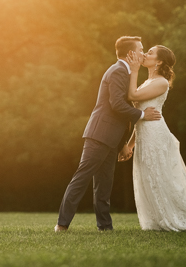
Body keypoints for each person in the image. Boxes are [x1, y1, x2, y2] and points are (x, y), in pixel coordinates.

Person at [54, 36, 162, 232]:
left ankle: (105, 226)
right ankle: (62, 225)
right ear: (130, 54)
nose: (143, 53)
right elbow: (117, 104)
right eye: (140, 49)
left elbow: (121, 110)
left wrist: (122, 144)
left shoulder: (126, 73)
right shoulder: (118, 71)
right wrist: (142, 115)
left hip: (111, 139)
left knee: (104, 186)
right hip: (99, 135)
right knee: (82, 178)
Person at [121, 45, 186, 231]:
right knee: (149, 177)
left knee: (163, 178)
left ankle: (182, 218)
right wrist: (130, 145)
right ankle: (157, 220)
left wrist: (133, 70)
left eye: (150, 53)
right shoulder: (147, 82)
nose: (145, 54)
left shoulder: (161, 82)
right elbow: (140, 115)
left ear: (159, 61)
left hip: (156, 135)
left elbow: (132, 95)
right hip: (144, 135)